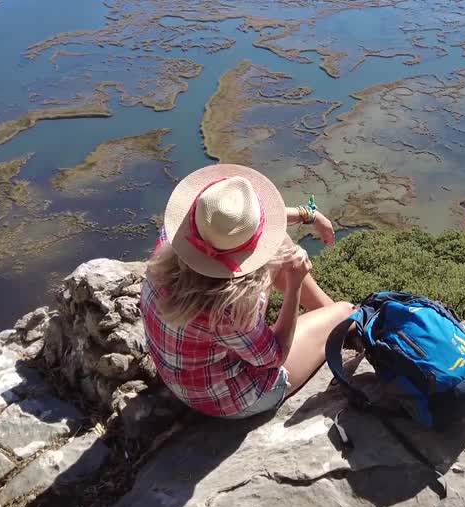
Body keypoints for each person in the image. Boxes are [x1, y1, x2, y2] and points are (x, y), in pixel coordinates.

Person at [140, 163, 356, 419]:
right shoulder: (228, 308)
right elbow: (274, 356)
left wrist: (307, 214)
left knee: (282, 243)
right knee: (347, 311)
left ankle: (333, 322)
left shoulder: (173, 241)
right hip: (230, 397)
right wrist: (294, 285)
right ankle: (345, 323)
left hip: (181, 376)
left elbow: (248, 226)